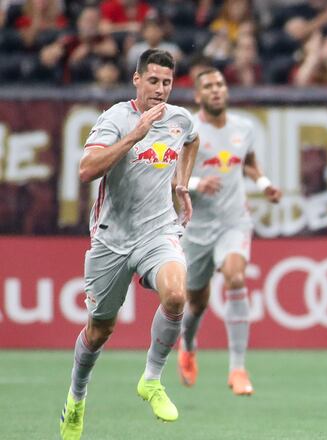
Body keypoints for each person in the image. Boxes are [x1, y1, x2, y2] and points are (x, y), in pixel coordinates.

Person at [59, 48, 200, 440]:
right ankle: (76, 397)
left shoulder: (179, 119)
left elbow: (192, 140)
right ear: (137, 80)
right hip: (112, 238)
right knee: (99, 330)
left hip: (159, 232)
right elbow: (87, 170)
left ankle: (152, 379)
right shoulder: (115, 119)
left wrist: (181, 182)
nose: (160, 89)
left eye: (167, 82)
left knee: (176, 295)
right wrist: (135, 135)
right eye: (153, 81)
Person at [177, 68, 282, 395]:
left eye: (220, 84)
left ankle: (238, 368)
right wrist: (196, 183)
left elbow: (247, 162)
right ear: (198, 95)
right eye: (208, 86)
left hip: (234, 221)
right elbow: (170, 175)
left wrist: (264, 184)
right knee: (196, 303)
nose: (216, 90)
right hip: (196, 227)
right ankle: (188, 344)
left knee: (236, 277)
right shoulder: (188, 130)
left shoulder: (243, 127)